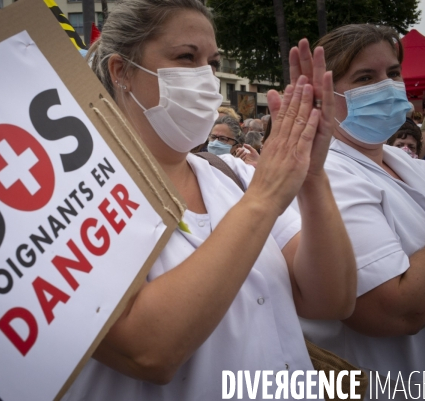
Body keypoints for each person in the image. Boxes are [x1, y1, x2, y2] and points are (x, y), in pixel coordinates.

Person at [64, 1, 357, 400]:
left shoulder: (232, 176)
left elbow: (332, 298)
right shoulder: (75, 198)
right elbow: (148, 352)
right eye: (186, 57)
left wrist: (312, 176)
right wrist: (266, 197)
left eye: (212, 63)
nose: (206, 77)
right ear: (121, 72)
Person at [299, 24, 425, 400]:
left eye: (393, 73)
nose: (388, 86)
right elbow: (396, 310)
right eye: (366, 77)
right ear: (324, 95)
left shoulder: (405, 161)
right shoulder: (326, 175)